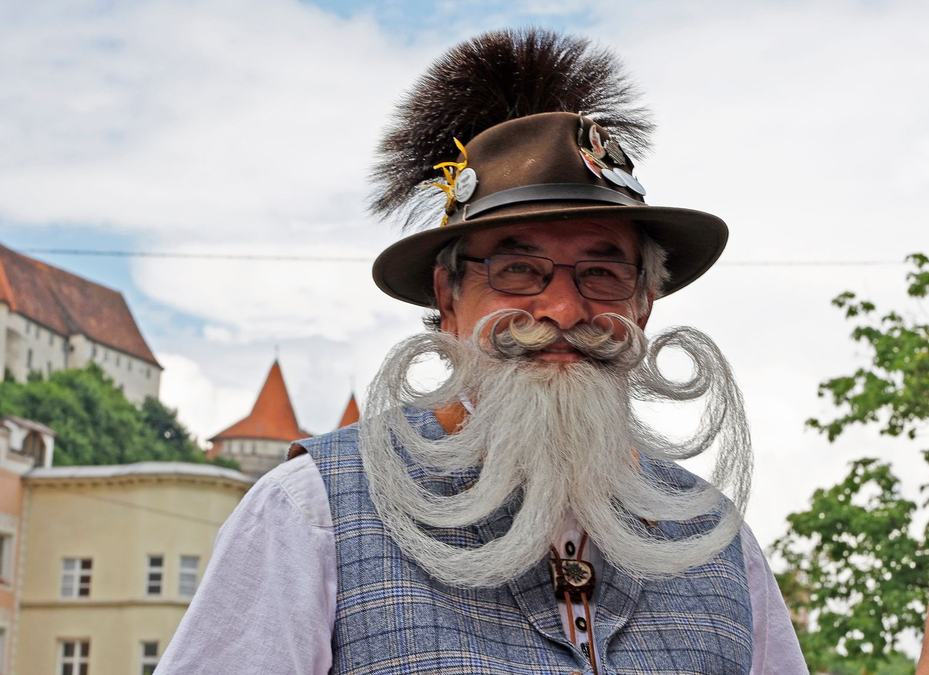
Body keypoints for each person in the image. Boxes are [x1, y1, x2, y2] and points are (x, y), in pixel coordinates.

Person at [157, 27, 806, 674]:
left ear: (643, 305)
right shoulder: (310, 512)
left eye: (602, 273)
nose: (563, 310)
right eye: (518, 269)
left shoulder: (720, 545)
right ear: (449, 297)